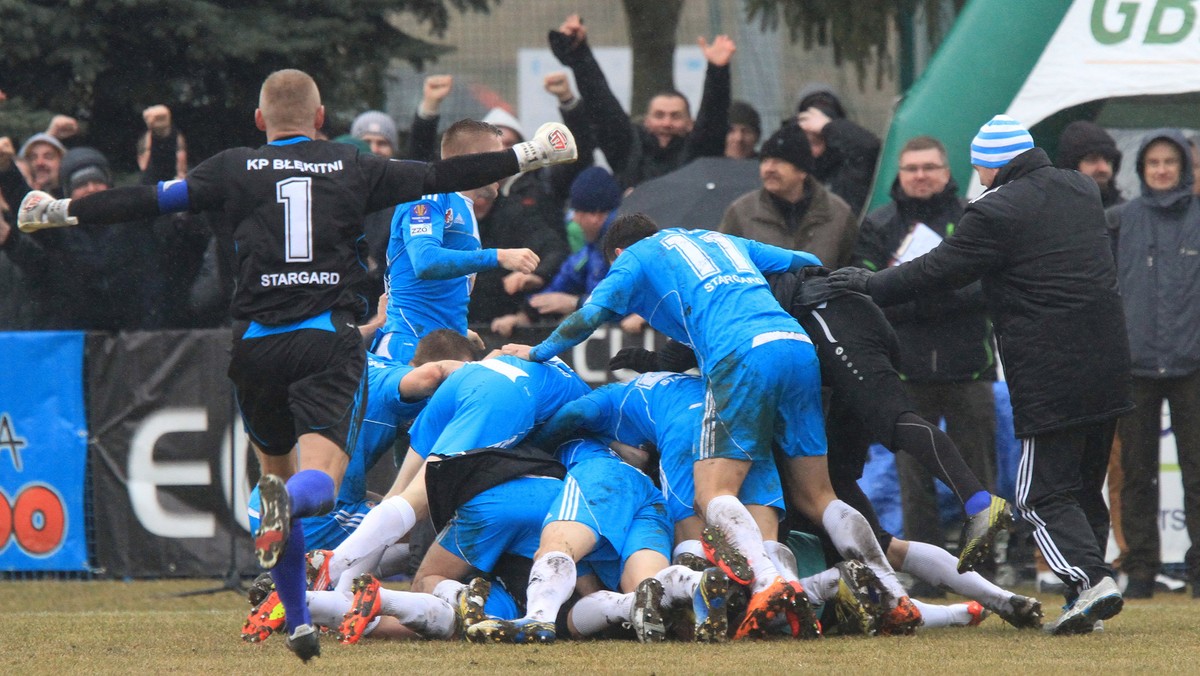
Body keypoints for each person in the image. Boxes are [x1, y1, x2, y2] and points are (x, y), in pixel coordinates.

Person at [17, 68, 577, 661]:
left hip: (255, 346)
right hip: (325, 343)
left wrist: (57, 210)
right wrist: (531, 152)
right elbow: (445, 172)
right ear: (320, 118)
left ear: (260, 122)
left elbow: (149, 200)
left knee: (276, 486)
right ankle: (300, 534)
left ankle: (301, 625)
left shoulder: (233, 166)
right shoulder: (351, 164)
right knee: (317, 487)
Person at [502, 214, 920, 638]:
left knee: (712, 491)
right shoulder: (718, 239)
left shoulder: (635, 257)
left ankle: (768, 582)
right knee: (818, 494)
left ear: (618, 254)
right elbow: (804, 258)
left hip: (740, 354)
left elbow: (588, 315)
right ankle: (890, 592)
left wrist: (536, 351)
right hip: (795, 345)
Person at [828, 114, 1133, 635]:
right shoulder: (1079, 187)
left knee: (1041, 493)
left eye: (979, 170)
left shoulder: (995, 210)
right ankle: (1089, 592)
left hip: (1048, 366)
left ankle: (1089, 580)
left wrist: (868, 284)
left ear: (989, 165)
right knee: (1083, 487)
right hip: (1108, 361)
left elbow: (938, 268)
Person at [854, 136, 998, 569]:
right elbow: (866, 292)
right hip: (905, 370)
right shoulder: (878, 225)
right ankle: (926, 566)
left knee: (978, 472)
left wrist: (909, 287)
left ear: (947, 171)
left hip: (969, 369)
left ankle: (985, 562)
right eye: (911, 168)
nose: (920, 175)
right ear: (899, 174)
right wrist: (938, 287)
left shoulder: (975, 218)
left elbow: (987, 284)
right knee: (913, 476)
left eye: (929, 167)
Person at [1106, 129, 1200, 599]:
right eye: (1153, 162)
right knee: (1136, 475)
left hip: (1193, 364)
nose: (1162, 169)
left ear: (1183, 167)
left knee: (1197, 470)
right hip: (1136, 366)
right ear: (1141, 170)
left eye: (1170, 162)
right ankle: (1140, 569)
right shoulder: (1120, 221)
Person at [371, 119, 541, 365]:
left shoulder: (465, 205)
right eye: (497, 159)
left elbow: (442, 290)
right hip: (409, 345)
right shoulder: (431, 193)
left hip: (440, 347)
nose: (503, 168)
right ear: (474, 160)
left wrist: (457, 332)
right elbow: (425, 261)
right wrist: (499, 256)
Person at [548, 13, 733, 188]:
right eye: (659, 115)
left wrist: (717, 71)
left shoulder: (699, 154)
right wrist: (580, 55)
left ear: (689, 124)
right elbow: (603, 106)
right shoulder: (628, 150)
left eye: (675, 116)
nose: (666, 123)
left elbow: (713, 118)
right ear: (646, 121)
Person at [2, 146, 163, 330]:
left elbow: (155, 184)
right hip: (80, 340)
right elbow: (27, 206)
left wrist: (163, 138)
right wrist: (6, 169)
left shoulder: (132, 220)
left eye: (98, 181)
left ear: (109, 184)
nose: (91, 189)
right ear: (68, 192)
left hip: (137, 337)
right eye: (81, 184)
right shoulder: (59, 231)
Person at [489, 167, 623, 337]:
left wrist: (576, 303)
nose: (573, 219)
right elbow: (566, 278)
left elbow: (627, 300)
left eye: (577, 212)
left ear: (595, 215)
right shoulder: (592, 249)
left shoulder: (622, 247)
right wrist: (526, 315)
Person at [718, 123, 858, 268]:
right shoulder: (742, 212)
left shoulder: (838, 213)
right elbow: (723, 264)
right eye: (765, 161)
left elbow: (852, 269)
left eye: (779, 162)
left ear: (802, 171)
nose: (769, 169)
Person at [793, 83, 881, 215]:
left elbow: (869, 146)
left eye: (819, 140)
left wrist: (828, 126)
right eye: (809, 142)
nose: (815, 151)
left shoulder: (849, 167)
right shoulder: (793, 166)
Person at [1055, 120, 1123, 208]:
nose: (1104, 169)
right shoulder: (1046, 213)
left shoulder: (1126, 216)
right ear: (1071, 166)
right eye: (1092, 159)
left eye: (1108, 160)